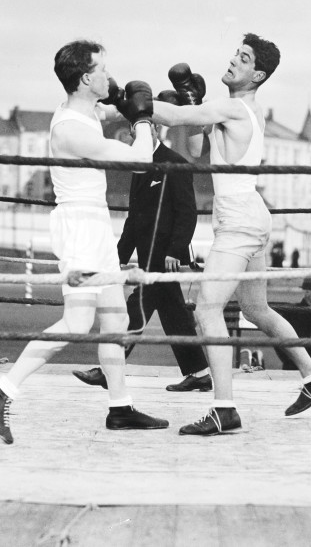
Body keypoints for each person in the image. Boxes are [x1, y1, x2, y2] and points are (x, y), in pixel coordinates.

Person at [0, 39, 168, 445]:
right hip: (80, 227)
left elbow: (107, 105)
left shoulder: (83, 110)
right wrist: (143, 121)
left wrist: (123, 100)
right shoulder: (69, 130)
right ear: (85, 78)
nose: (109, 74)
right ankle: (2, 389)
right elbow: (140, 159)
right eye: (102, 69)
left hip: (96, 222)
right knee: (77, 322)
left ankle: (120, 407)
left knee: (116, 318)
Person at [152, 33, 311, 435]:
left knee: (207, 308)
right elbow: (199, 147)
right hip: (251, 216)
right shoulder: (242, 111)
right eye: (236, 53)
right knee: (256, 310)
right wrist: (193, 101)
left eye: (244, 58)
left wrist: (128, 103)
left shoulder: (234, 108)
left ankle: (224, 408)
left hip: (238, 220)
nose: (234, 60)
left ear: (258, 74)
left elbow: (178, 122)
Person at [72, 91, 211, 393]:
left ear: (156, 128)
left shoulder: (176, 163)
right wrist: (118, 255)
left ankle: (109, 368)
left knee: (138, 306)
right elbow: (134, 219)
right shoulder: (139, 165)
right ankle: (199, 373)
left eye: (142, 127)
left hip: (167, 255)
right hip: (148, 254)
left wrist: (176, 250)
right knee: (173, 313)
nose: (137, 133)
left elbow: (188, 213)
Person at [277, 276, 311, 370]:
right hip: (294, 365)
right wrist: (287, 359)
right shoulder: (292, 312)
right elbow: (277, 336)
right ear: (306, 292)